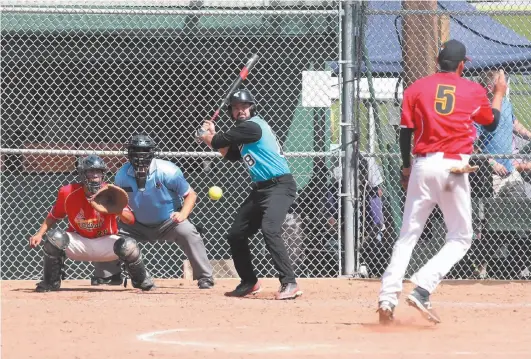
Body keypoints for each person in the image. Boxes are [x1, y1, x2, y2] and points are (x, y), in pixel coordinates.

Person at [377, 39, 506, 324]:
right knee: (461, 236)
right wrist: (498, 93)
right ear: (462, 65)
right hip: (453, 167)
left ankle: (387, 296)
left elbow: (404, 133)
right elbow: (492, 123)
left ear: (437, 61)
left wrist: (406, 167)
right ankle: (423, 287)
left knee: (408, 234)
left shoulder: (415, 88)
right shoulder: (472, 90)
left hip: (422, 164)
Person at [197, 89, 302, 300]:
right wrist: (208, 137)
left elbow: (218, 141)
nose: (240, 111)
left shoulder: (252, 127)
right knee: (236, 233)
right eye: (236, 108)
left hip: (280, 185)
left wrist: (207, 134)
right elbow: (229, 154)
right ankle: (249, 282)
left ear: (251, 108)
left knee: (270, 229)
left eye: (244, 107)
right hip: (261, 189)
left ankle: (289, 283)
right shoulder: (244, 133)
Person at [93, 134, 215, 289]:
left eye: (144, 150)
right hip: (136, 224)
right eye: (135, 150)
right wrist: (120, 213)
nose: (139, 155)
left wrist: (183, 214)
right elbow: (123, 206)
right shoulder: (122, 175)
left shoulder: (168, 171)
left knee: (188, 231)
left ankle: (205, 277)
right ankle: (110, 275)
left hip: (169, 222)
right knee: (112, 235)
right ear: (129, 153)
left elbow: (190, 194)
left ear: (152, 152)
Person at [29, 155, 154, 292]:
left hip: (105, 241)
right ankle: (50, 282)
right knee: (54, 238)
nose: (95, 176)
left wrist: (117, 210)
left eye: (98, 172)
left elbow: (130, 220)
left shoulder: (110, 191)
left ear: (103, 175)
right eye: (90, 172)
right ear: (83, 174)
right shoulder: (68, 192)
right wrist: (39, 234)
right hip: (79, 241)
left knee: (129, 245)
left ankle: (142, 280)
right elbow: (54, 216)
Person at [476, 70, 531, 198]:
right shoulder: (478, 110)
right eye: (501, 82)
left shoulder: (505, 104)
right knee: (492, 213)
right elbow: (472, 146)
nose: (505, 85)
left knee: (518, 207)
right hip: (490, 174)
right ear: (490, 87)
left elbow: (515, 125)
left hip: (510, 170)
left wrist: (529, 134)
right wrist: (492, 163)